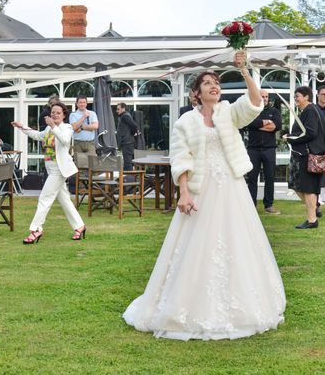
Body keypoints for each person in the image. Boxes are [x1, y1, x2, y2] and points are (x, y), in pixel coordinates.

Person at [123, 51, 286, 340]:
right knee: (196, 242)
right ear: (196, 94)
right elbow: (180, 159)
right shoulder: (185, 122)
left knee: (238, 239)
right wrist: (184, 193)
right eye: (207, 83)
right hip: (201, 187)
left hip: (231, 186)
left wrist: (244, 69)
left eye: (216, 83)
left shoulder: (227, 112)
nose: (214, 86)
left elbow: (255, 102)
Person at [11, 102, 86, 244]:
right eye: (53, 112)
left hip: (59, 170)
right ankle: (80, 226)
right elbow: (38, 135)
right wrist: (22, 127)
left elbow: (64, 141)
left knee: (44, 199)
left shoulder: (67, 128)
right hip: (50, 168)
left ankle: (36, 229)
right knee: (65, 201)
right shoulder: (48, 129)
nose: (55, 115)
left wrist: (53, 126)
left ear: (64, 115)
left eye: (58, 113)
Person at [283, 86, 325, 229]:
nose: (295, 99)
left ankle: (312, 220)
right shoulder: (313, 110)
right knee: (300, 187)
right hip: (311, 155)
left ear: (306, 97)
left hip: (308, 156)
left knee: (308, 188)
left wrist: (290, 138)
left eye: (297, 96)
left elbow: (310, 133)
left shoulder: (310, 111)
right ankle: (313, 210)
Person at [244, 89, 282, 214]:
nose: (265, 98)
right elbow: (248, 124)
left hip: (269, 149)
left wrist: (257, 125)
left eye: (266, 96)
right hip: (253, 150)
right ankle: (251, 205)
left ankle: (268, 205)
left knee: (270, 178)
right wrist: (266, 123)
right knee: (252, 178)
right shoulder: (251, 111)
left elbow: (277, 126)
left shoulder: (274, 111)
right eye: (263, 96)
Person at [116, 102, 139, 170]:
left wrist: (131, 134)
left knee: (128, 163)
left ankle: (129, 179)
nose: (117, 111)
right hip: (127, 142)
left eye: (118, 109)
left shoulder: (125, 116)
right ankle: (127, 178)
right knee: (127, 162)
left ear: (123, 108)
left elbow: (134, 126)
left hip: (127, 143)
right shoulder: (124, 116)